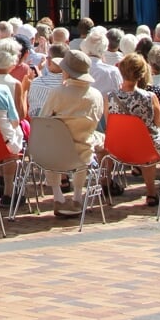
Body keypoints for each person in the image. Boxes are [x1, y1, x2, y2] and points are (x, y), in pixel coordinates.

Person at [41, 49, 104, 216]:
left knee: (49, 141)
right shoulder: (96, 96)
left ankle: (58, 196)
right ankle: (77, 196)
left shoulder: (57, 93)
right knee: (92, 140)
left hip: (57, 151)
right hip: (83, 150)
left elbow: (44, 118)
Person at [108, 53, 160, 205]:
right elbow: (157, 122)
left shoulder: (110, 97)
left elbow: (110, 122)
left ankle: (107, 182)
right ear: (142, 73)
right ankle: (151, 193)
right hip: (145, 148)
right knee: (152, 141)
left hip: (119, 147)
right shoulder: (150, 97)